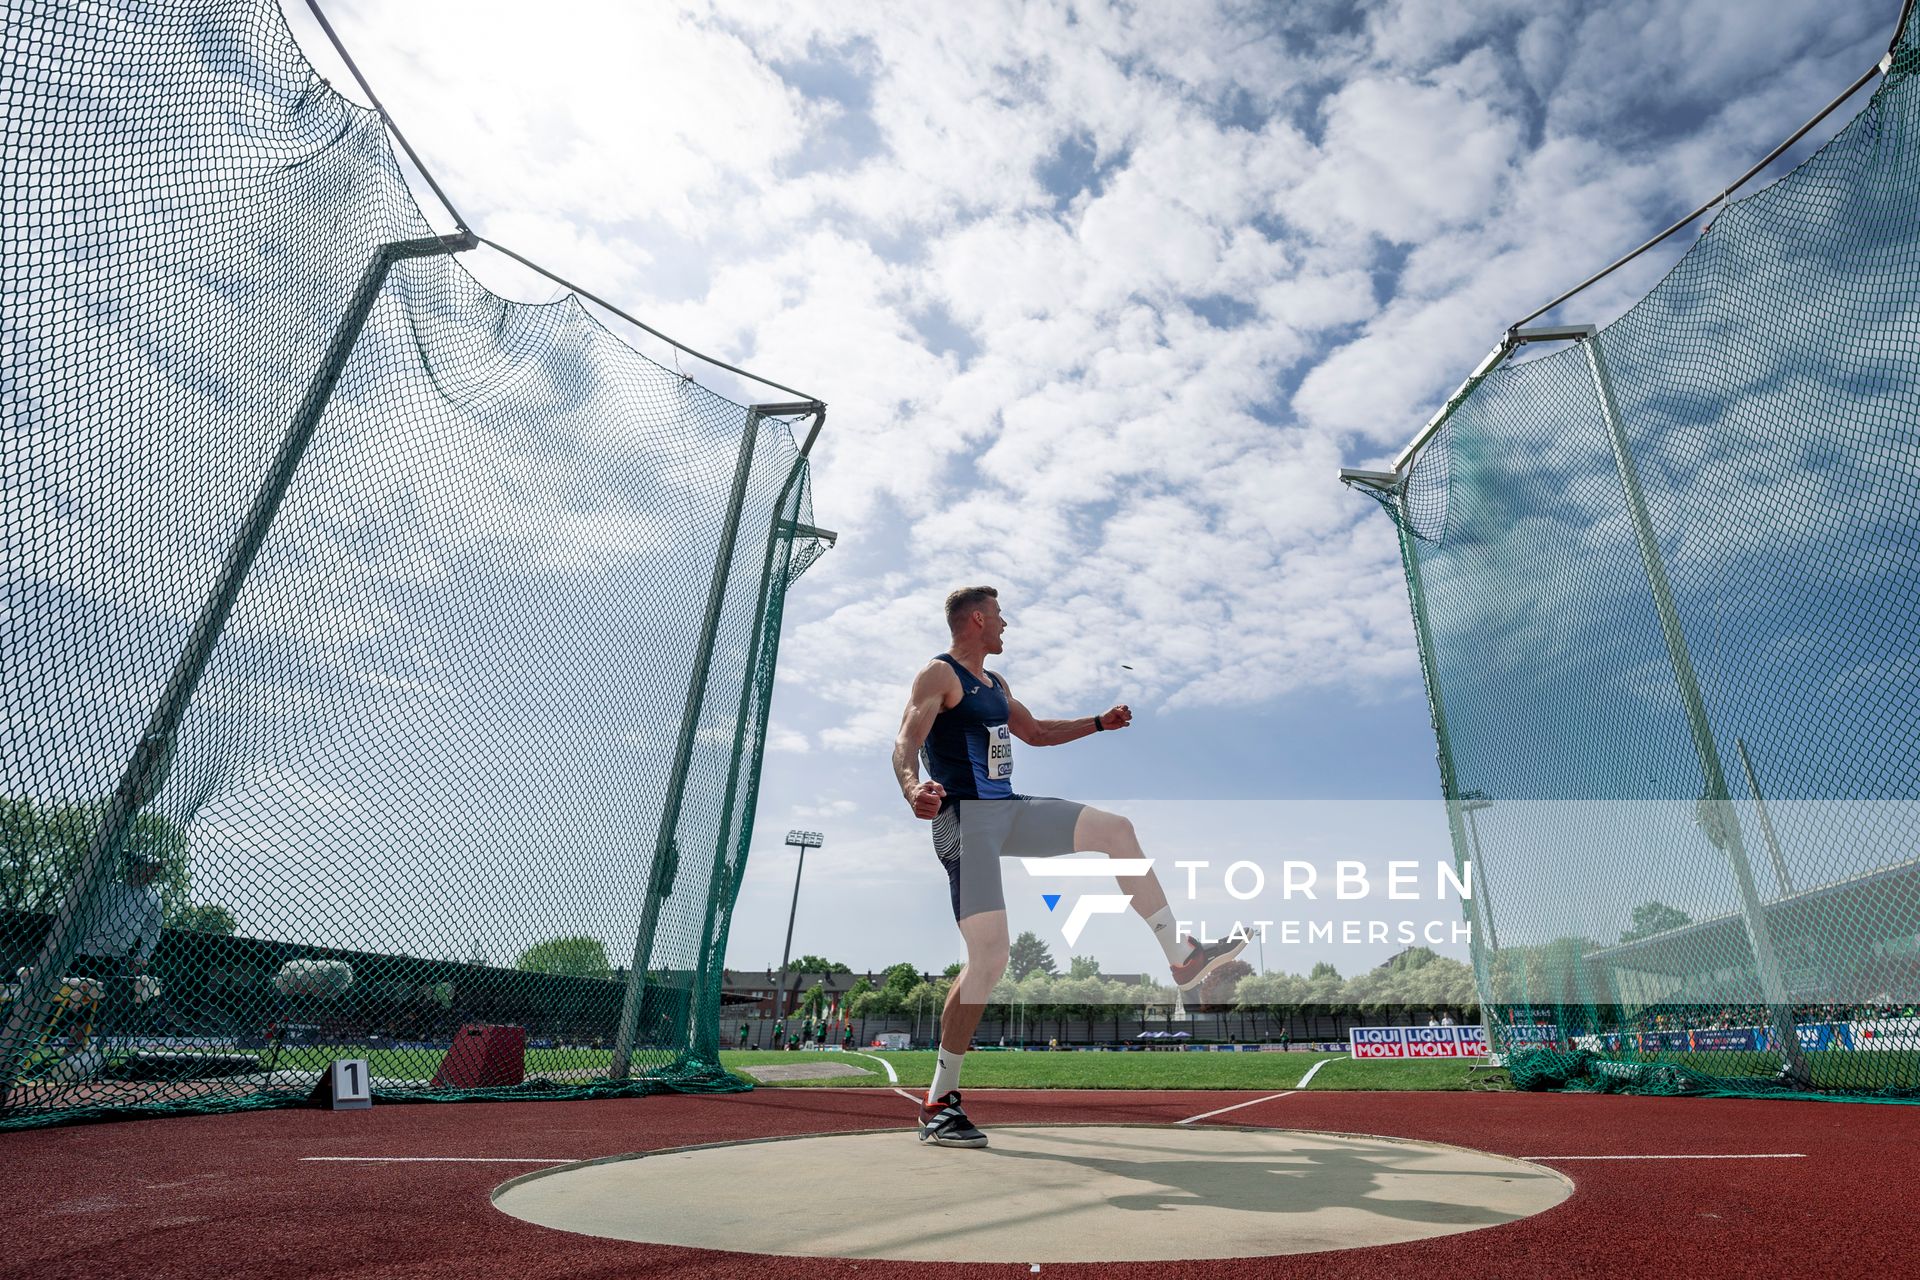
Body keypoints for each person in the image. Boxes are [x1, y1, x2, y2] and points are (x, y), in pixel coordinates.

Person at [893, 586, 1245, 1148]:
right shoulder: (937, 676)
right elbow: (906, 740)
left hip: (1008, 809)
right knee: (990, 959)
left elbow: (1035, 733)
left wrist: (1099, 723)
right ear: (977, 620)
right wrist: (915, 790)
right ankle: (939, 1100)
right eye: (1000, 617)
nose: (1006, 625)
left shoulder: (996, 684)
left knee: (1116, 829)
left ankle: (1181, 957)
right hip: (964, 820)